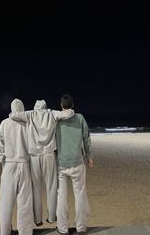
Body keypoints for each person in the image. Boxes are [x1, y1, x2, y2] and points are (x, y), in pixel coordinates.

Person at [10, 100, 74, 226]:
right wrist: (70, 109)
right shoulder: (51, 113)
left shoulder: (30, 114)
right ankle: (51, 217)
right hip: (49, 154)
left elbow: (13, 115)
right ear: (45, 106)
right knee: (51, 187)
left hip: (34, 155)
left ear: (35, 106)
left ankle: (37, 219)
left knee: (36, 189)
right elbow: (68, 114)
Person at [56, 94, 93, 235]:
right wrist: (89, 156)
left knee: (61, 197)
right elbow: (86, 138)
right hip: (77, 162)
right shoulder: (80, 118)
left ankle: (63, 229)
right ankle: (81, 228)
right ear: (72, 105)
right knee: (80, 195)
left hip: (60, 163)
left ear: (61, 105)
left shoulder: (56, 119)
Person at [0, 99, 33, 235]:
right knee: (24, 201)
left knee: (6, 200)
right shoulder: (28, 124)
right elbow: (32, 145)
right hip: (25, 163)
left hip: (9, 164)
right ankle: (25, 231)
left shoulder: (4, 124)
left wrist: (3, 160)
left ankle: (5, 231)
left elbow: (0, 146)